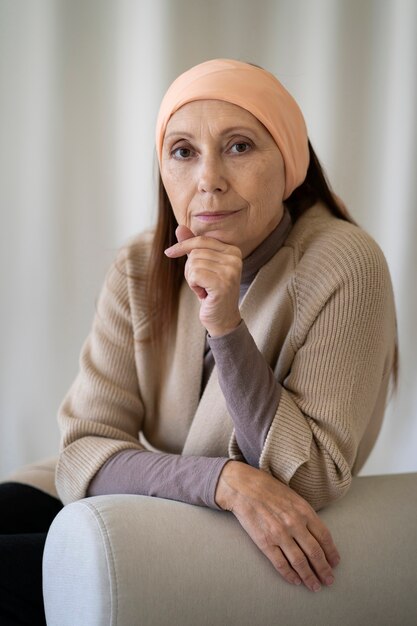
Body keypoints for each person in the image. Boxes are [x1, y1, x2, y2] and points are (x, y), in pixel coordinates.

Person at [0, 58, 397, 624]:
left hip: (217, 528)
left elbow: (311, 475)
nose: (208, 178)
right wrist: (221, 480)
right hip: (159, 493)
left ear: (288, 162)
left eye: (239, 146)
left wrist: (226, 325)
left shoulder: (342, 262)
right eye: (183, 151)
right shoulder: (140, 266)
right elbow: (83, 452)